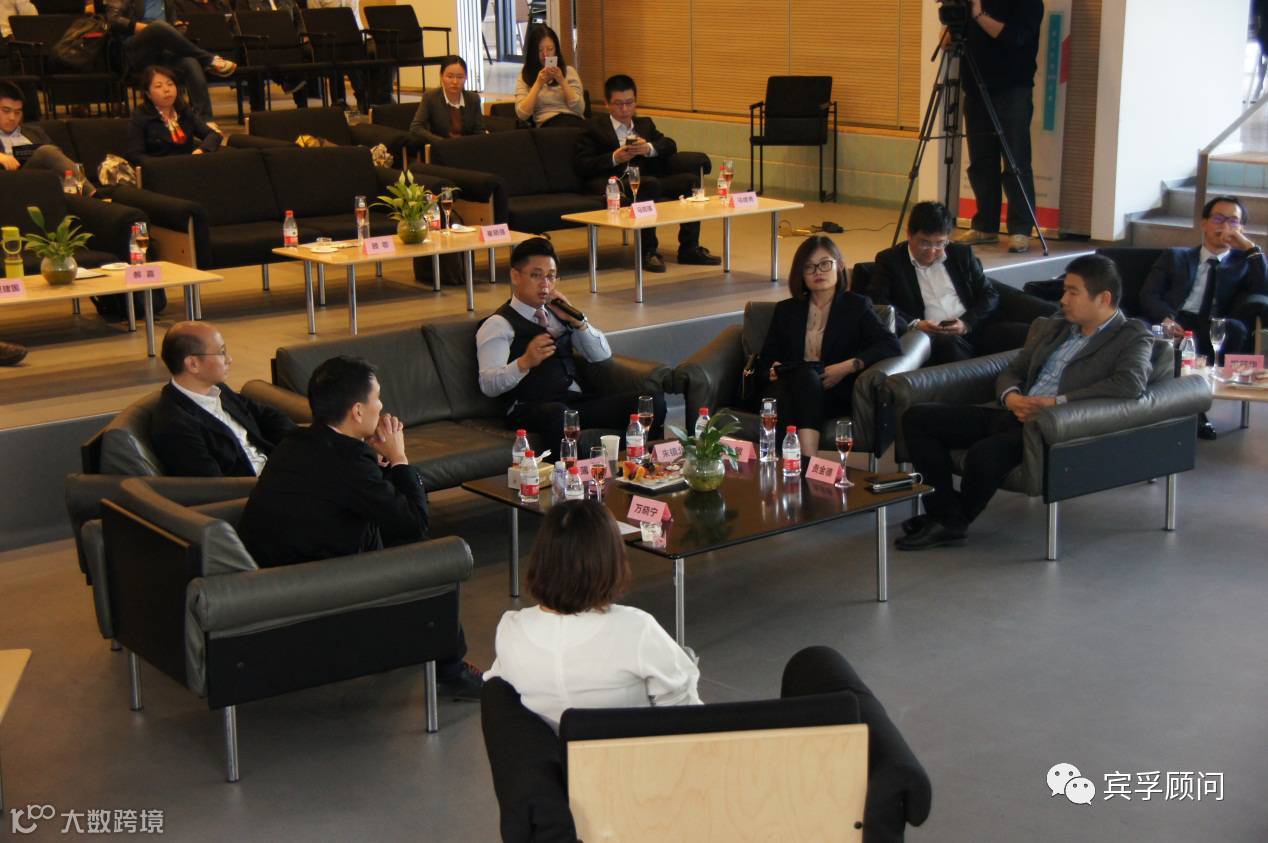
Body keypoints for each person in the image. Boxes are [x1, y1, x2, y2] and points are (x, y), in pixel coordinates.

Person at [237, 355, 483, 698]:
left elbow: (346, 491)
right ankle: (451, 671)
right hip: (317, 581)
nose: (381, 407)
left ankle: (421, 647)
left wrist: (375, 462)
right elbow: (414, 522)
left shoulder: (297, 441)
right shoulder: (349, 460)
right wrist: (398, 458)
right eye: (377, 398)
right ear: (357, 410)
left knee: (395, 533)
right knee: (431, 557)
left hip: (271, 570)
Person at [897, 254, 1152, 551]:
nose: (1063, 300)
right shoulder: (1055, 325)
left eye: (1073, 292)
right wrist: (1011, 395)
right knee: (918, 418)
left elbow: (1130, 383)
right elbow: (1014, 369)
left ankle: (947, 521)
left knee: (984, 454)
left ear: (1103, 298)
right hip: (1011, 410)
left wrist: (1056, 402)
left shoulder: (1131, 335)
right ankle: (947, 516)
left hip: (1049, 424)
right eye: (1064, 291)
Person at [485, 500, 701, 732]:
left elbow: (497, 695)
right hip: (628, 752)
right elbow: (686, 714)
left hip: (550, 753)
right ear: (610, 561)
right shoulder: (636, 629)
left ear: (541, 559)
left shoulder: (511, 630)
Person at [475, 236, 666, 448]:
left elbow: (601, 356)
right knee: (559, 415)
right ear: (515, 276)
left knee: (650, 403)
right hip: (529, 407)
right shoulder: (498, 324)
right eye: (536, 275)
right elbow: (488, 385)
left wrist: (578, 322)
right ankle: (570, 469)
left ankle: (640, 463)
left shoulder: (559, 313)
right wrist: (524, 362)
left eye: (551, 276)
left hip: (575, 403)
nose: (545, 284)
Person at [1140, 195, 1268, 440]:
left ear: (1242, 228)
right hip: (1174, 320)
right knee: (1141, 329)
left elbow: (1263, 288)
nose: (1225, 226)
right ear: (1204, 223)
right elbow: (1149, 294)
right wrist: (1166, 319)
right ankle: (1169, 408)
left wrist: (1250, 247)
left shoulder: (1243, 263)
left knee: (1233, 329)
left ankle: (1194, 409)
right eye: (1218, 219)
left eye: (1233, 221)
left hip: (1213, 324)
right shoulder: (1175, 256)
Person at [761, 235, 902, 455]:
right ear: (801, 274)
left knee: (788, 394)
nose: (818, 272)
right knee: (791, 387)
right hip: (792, 383)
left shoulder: (856, 306)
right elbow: (767, 356)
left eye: (825, 264)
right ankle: (804, 464)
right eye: (809, 267)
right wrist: (772, 367)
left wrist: (847, 366)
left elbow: (891, 344)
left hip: (833, 390)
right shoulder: (786, 309)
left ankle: (794, 463)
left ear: (840, 266)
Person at [574, 74, 720, 273]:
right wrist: (615, 157)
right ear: (607, 104)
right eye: (618, 104)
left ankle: (689, 248)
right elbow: (583, 164)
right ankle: (648, 251)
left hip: (649, 180)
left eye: (629, 103)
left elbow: (669, 145)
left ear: (635, 102)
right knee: (649, 184)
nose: (624, 109)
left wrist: (649, 148)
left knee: (690, 181)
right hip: (615, 183)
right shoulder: (593, 128)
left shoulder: (644, 125)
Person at [868, 200, 1031, 364]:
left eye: (940, 243)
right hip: (932, 338)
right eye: (924, 242)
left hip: (972, 327)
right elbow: (878, 302)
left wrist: (967, 323)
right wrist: (915, 324)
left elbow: (990, 294)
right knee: (948, 343)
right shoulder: (891, 261)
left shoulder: (961, 254)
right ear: (909, 235)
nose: (932, 251)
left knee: (1032, 333)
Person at [953, 0, 1044, 254]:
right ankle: (985, 226)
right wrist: (953, 23)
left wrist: (978, 15)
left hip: (1012, 88)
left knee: (1015, 161)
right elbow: (954, 41)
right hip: (975, 88)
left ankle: (1020, 229)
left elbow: (1014, 38)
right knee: (981, 161)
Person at [149, 321, 296, 477]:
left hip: (279, 469)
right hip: (254, 486)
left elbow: (267, 416)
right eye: (222, 352)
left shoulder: (219, 390)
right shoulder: (175, 424)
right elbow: (213, 484)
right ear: (193, 364)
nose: (229, 359)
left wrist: (303, 442)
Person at [102, 0, 237, 120]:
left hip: (162, 51)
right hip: (133, 52)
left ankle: (205, 119)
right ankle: (209, 59)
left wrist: (175, 28)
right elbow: (113, 21)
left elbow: (169, 25)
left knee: (190, 62)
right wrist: (149, 29)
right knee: (158, 26)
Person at [125, 65, 223, 163]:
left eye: (170, 84)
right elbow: (135, 154)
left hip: (188, 165)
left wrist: (201, 150)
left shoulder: (184, 111)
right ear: (148, 94)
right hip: (158, 167)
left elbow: (213, 134)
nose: (166, 90)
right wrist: (161, 165)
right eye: (159, 86)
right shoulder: (140, 116)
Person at [0, 81, 84, 179]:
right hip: (11, 181)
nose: (12, 117)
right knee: (46, 151)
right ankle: (86, 188)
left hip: (45, 179)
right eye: (6, 111)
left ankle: (78, 186)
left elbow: (58, 158)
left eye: (17, 112)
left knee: (48, 152)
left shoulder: (35, 132)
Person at [513, 24, 585, 128]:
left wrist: (562, 81)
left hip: (574, 122)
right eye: (540, 50)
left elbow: (580, 109)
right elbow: (522, 114)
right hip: (548, 125)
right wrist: (538, 84)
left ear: (556, 50)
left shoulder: (569, 72)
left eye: (550, 49)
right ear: (533, 52)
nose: (545, 54)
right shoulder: (525, 76)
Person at [407, 55, 484, 148]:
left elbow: (479, 131)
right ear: (441, 76)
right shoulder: (430, 97)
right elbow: (416, 128)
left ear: (466, 77)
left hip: (467, 148)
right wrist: (441, 142)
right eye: (450, 76)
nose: (455, 82)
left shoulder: (473, 98)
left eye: (460, 77)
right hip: (440, 148)